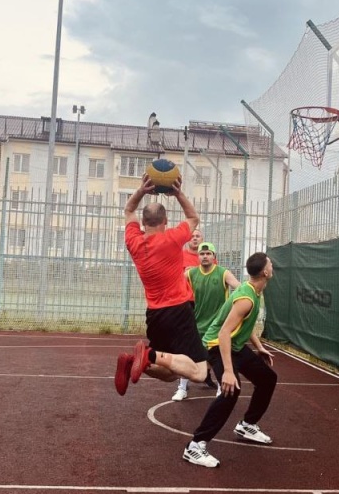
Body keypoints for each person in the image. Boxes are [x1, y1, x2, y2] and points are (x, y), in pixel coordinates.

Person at [115, 174, 209, 396]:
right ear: (165, 222)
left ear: (144, 223)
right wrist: (177, 193)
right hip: (178, 311)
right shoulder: (172, 238)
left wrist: (140, 191)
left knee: (171, 373)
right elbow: (193, 218)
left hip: (155, 315)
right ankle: (149, 356)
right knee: (200, 372)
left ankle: (137, 362)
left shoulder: (134, 241)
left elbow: (128, 211)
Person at [183, 252, 277, 468]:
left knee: (267, 378)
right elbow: (224, 332)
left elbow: (244, 323)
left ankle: (247, 425)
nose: (273, 266)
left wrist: (260, 347)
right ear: (265, 272)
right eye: (270, 264)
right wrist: (227, 371)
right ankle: (195, 445)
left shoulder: (255, 291)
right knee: (230, 390)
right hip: (217, 345)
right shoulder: (246, 298)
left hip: (234, 345)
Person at [172, 241, 239, 401]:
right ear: (198, 257)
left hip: (218, 326)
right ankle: (182, 388)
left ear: (214, 257)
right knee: (188, 356)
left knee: (219, 358)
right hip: (196, 323)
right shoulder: (191, 273)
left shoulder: (223, 273)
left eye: (208, 253)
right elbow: (173, 285)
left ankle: (220, 388)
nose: (205, 256)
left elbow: (239, 287)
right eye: (202, 254)